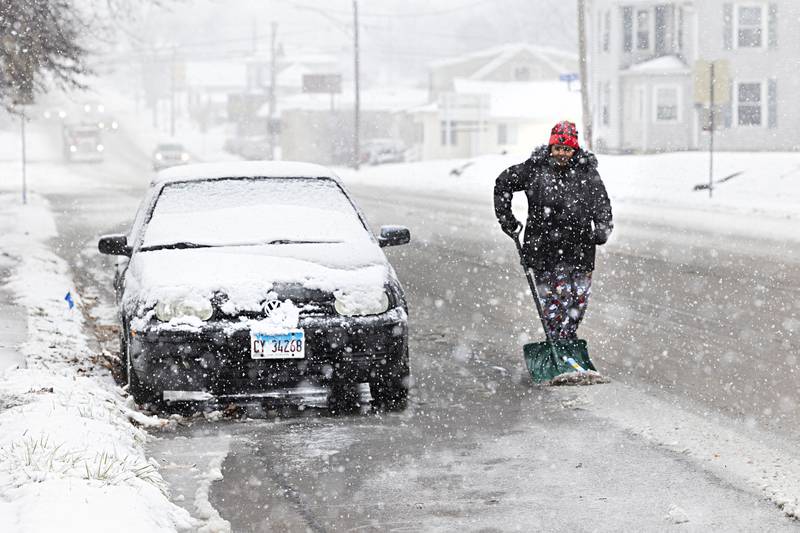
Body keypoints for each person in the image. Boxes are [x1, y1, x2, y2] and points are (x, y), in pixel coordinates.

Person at [494, 121, 613, 340]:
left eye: (566, 149)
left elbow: (601, 203)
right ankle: (559, 343)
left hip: (580, 249)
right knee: (555, 303)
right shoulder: (534, 169)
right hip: (544, 251)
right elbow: (502, 184)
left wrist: (603, 228)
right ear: (550, 148)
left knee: (578, 301)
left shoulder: (586, 173)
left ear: (574, 150)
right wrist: (507, 220)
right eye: (557, 148)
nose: (561, 153)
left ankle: (567, 338)